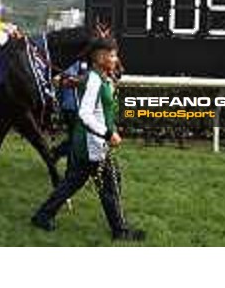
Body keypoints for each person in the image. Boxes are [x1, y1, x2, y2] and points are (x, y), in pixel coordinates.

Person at [31, 37, 145, 242]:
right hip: (92, 144)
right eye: (111, 55)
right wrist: (108, 134)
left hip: (87, 142)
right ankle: (120, 231)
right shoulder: (93, 79)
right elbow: (85, 114)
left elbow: (101, 109)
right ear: (99, 57)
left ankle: (43, 215)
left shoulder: (100, 76)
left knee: (74, 182)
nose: (115, 58)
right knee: (109, 183)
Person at [52, 59, 88, 163]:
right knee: (77, 139)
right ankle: (61, 155)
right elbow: (66, 81)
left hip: (80, 106)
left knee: (77, 138)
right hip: (70, 106)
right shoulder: (70, 61)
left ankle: (58, 152)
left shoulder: (84, 60)